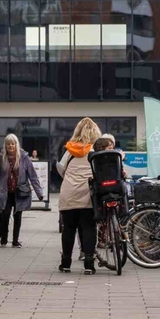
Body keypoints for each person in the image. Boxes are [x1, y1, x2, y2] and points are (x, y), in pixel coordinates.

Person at [56, 117, 101, 274]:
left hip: (68, 194)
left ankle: (66, 263)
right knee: (89, 228)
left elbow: (61, 169)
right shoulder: (95, 152)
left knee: (69, 228)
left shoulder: (69, 151)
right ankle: (89, 263)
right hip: (87, 195)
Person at [0, 134, 44, 247]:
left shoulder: (24, 157)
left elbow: (33, 176)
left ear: (16, 145)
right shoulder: (1, 158)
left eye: (12, 144)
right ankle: (4, 238)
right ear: (5, 146)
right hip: (5, 192)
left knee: (18, 216)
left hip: (19, 192)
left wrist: (39, 193)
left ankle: (15, 240)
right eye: (8, 144)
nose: (10, 146)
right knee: (5, 215)